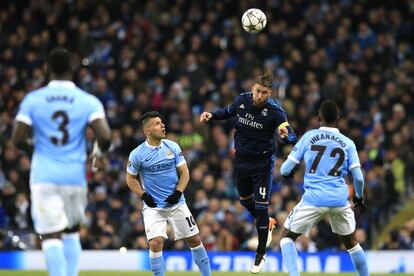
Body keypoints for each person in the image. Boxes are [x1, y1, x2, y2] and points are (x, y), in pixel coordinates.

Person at [12, 48, 112, 276]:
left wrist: (34, 148)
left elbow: (17, 139)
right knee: (71, 232)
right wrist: (99, 155)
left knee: (50, 236)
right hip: (74, 177)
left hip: (44, 176)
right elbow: (105, 136)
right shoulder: (88, 101)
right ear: (73, 69)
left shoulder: (33, 100)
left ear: (47, 69)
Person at [200, 72, 297, 273]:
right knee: (245, 200)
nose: (259, 96)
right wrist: (212, 115)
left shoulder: (275, 111)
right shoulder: (242, 100)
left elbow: (290, 133)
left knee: (261, 207)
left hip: (262, 165)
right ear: (252, 88)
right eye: (257, 91)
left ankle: (260, 254)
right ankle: (266, 222)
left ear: (269, 93)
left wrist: (286, 136)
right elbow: (228, 111)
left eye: (264, 93)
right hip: (242, 161)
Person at [279, 100, 369, 276]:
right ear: (338, 118)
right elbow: (358, 177)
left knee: (286, 238)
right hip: (339, 199)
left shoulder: (308, 136)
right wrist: (358, 197)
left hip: (314, 199)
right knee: (351, 243)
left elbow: (284, 169)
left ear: (318, 117)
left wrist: (288, 174)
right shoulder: (348, 143)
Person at [125, 111, 211, 276]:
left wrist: (178, 192)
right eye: (157, 123)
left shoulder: (172, 146)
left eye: (162, 122)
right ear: (148, 130)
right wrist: (143, 195)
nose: (163, 125)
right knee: (156, 243)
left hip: (177, 203)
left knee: (194, 240)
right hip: (153, 207)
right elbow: (130, 178)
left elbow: (185, 173)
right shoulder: (137, 154)